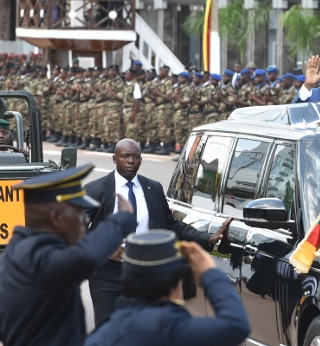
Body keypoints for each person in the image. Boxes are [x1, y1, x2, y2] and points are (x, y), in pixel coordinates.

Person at [84, 138, 232, 326]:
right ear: (115, 159)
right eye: (125, 156)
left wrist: (208, 238)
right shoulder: (96, 190)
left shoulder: (152, 188)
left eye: (136, 157)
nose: (131, 161)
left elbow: (172, 226)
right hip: (107, 274)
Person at [0, 165, 136, 346]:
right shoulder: (38, 259)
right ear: (56, 217)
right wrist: (122, 219)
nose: (86, 219)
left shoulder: (17, 253)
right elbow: (86, 257)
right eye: (79, 212)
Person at [84, 230, 250, 346]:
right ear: (178, 282)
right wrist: (209, 272)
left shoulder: (103, 334)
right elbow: (237, 326)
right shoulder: (173, 330)